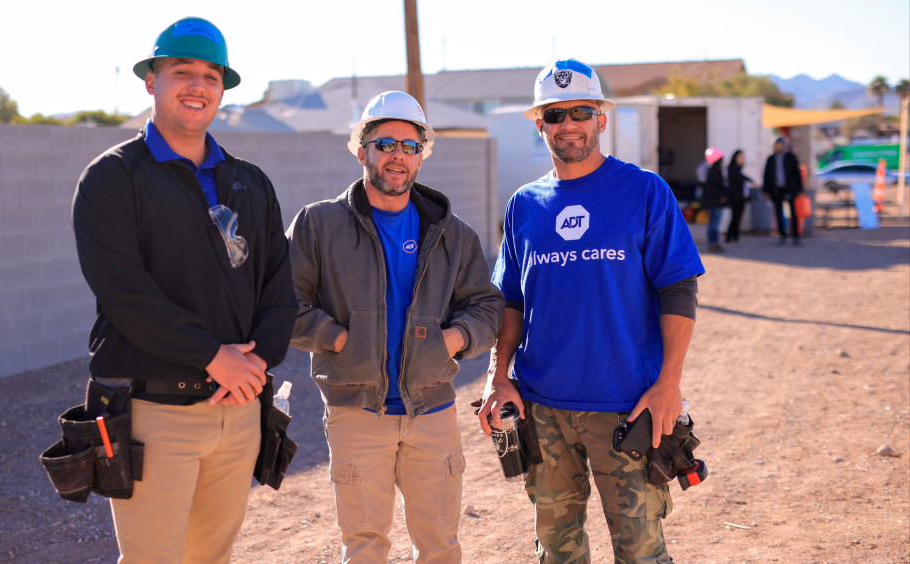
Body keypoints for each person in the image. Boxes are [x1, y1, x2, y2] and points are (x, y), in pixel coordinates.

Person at [71, 17, 297, 563]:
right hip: (155, 414)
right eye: (181, 72)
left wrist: (258, 362)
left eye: (210, 75)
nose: (198, 86)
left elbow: (279, 288)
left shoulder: (251, 182)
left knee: (212, 558)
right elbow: (127, 296)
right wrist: (212, 356)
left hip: (240, 408)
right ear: (151, 80)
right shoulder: (113, 179)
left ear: (222, 89)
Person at [476, 59, 705, 564]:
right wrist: (499, 375)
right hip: (543, 409)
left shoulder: (645, 191)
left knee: (642, 553)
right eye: (555, 115)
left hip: (628, 408)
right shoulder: (523, 205)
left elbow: (679, 291)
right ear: (540, 125)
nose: (569, 124)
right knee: (557, 554)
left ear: (602, 118)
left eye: (581, 111)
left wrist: (669, 384)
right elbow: (510, 300)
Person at [287, 91, 504, 564]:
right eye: (385, 144)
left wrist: (453, 339)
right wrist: (340, 339)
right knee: (364, 547)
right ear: (362, 151)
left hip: (433, 413)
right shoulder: (318, 225)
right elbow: (283, 305)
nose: (397, 156)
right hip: (357, 414)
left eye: (410, 146)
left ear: (423, 155)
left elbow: (487, 306)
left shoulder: (453, 233)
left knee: (441, 546)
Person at [762, 136, 804, 246]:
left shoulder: (791, 157)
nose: (777, 147)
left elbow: (797, 174)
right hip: (776, 189)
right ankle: (782, 236)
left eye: (779, 145)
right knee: (778, 213)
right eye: (776, 145)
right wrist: (765, 190)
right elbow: (766, 175)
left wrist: (799, 188)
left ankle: (795, 236)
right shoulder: (771, 159)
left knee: (793, 213)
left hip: (789, 189)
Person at [725, 149, 754, 244]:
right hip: (735, 197)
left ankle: (735, 237)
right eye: (740, 157)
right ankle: (730, 237)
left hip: (741, 197)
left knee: (738, 218)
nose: (742, 159)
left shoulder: (739, 169)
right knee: (735, 217)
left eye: (743, 157)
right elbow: (739, 177)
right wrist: (750, 180)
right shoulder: (732, 169)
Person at [702, 147, 727, 253]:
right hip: (714, 202)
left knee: (715, 224)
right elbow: (711, 187)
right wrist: (719, 196)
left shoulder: (716, 170)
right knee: (714, 224)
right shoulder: (713, 171)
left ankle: (715, 243)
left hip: (715, 202)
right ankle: (713, 243)